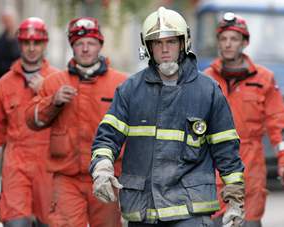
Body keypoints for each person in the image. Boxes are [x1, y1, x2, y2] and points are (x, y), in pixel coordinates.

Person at [89, 7, 245, 227]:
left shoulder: (207, 91)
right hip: (143, 210)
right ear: (148, 47)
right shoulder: (130, 90)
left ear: (183, 44)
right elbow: (107, 137)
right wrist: (102, 168)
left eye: (171, 42)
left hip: (190, 212)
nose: (164, 49)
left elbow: (226, 150)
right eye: (157, 42)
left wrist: (235, 200)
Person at [25, 17, 127, 227]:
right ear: (72, 47)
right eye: (80, 44)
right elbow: (32, 119)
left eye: (91, 43)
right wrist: (53, 102)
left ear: (100, 45)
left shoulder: (120, 83)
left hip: (107, 175)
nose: (86, 49)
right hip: (67, 177)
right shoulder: (55, 82)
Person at [203, 12, 284, 227]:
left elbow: (278, 120)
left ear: (244, 43)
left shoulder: (263, 79)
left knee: (249, 222)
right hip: (214, 164)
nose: (228, 44)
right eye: (223, 39)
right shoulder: (206, 79)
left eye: (234, 39)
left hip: (251, 166)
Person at [0, 17, 59, 227]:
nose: (31, 48)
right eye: (26, 42)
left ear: (44, 44)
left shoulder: (58, 80)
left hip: (49, 166)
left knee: (48, 223)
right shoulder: (5, 84)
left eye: (36, 43)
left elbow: (70, 124)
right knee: (15, 222)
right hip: (16, 164)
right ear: (19, 44)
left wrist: (47, 90)